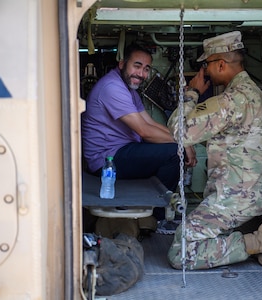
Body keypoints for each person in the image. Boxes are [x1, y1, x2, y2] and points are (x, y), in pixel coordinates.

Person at [166, 31, 262, 270]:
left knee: (181, 252)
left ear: (220, 64)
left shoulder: (230, 100)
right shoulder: (255, 95)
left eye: (206, 65)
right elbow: (232, 141)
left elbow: (178, 131)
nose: (206, 71)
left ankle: (260, 241)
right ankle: (260, 238)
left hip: (233, 201)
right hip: (255, 199)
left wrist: (191, 92)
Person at [81, 43, 197, 202]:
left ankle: (153, 208)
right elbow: (145, 131)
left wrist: (185, 140)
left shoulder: (128, 88)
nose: (141, 73)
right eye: (137, 66)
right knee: (174, 153)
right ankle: (160, 215)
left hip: (122, 150)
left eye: (146, 68)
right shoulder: (112, 87)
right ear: (122, 64)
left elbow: (151, 123)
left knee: (173, 148)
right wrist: (183, 143)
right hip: (106, 161)